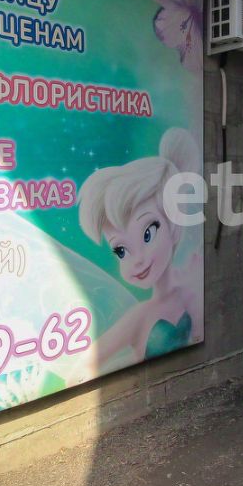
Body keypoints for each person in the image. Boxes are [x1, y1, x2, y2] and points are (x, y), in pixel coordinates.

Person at [77, 128, 203, 369]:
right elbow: (82, 368)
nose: (137, 260)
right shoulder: (139, 317)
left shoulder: (190, 285)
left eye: (148, 234)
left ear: (173, 221)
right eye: (121, 251)